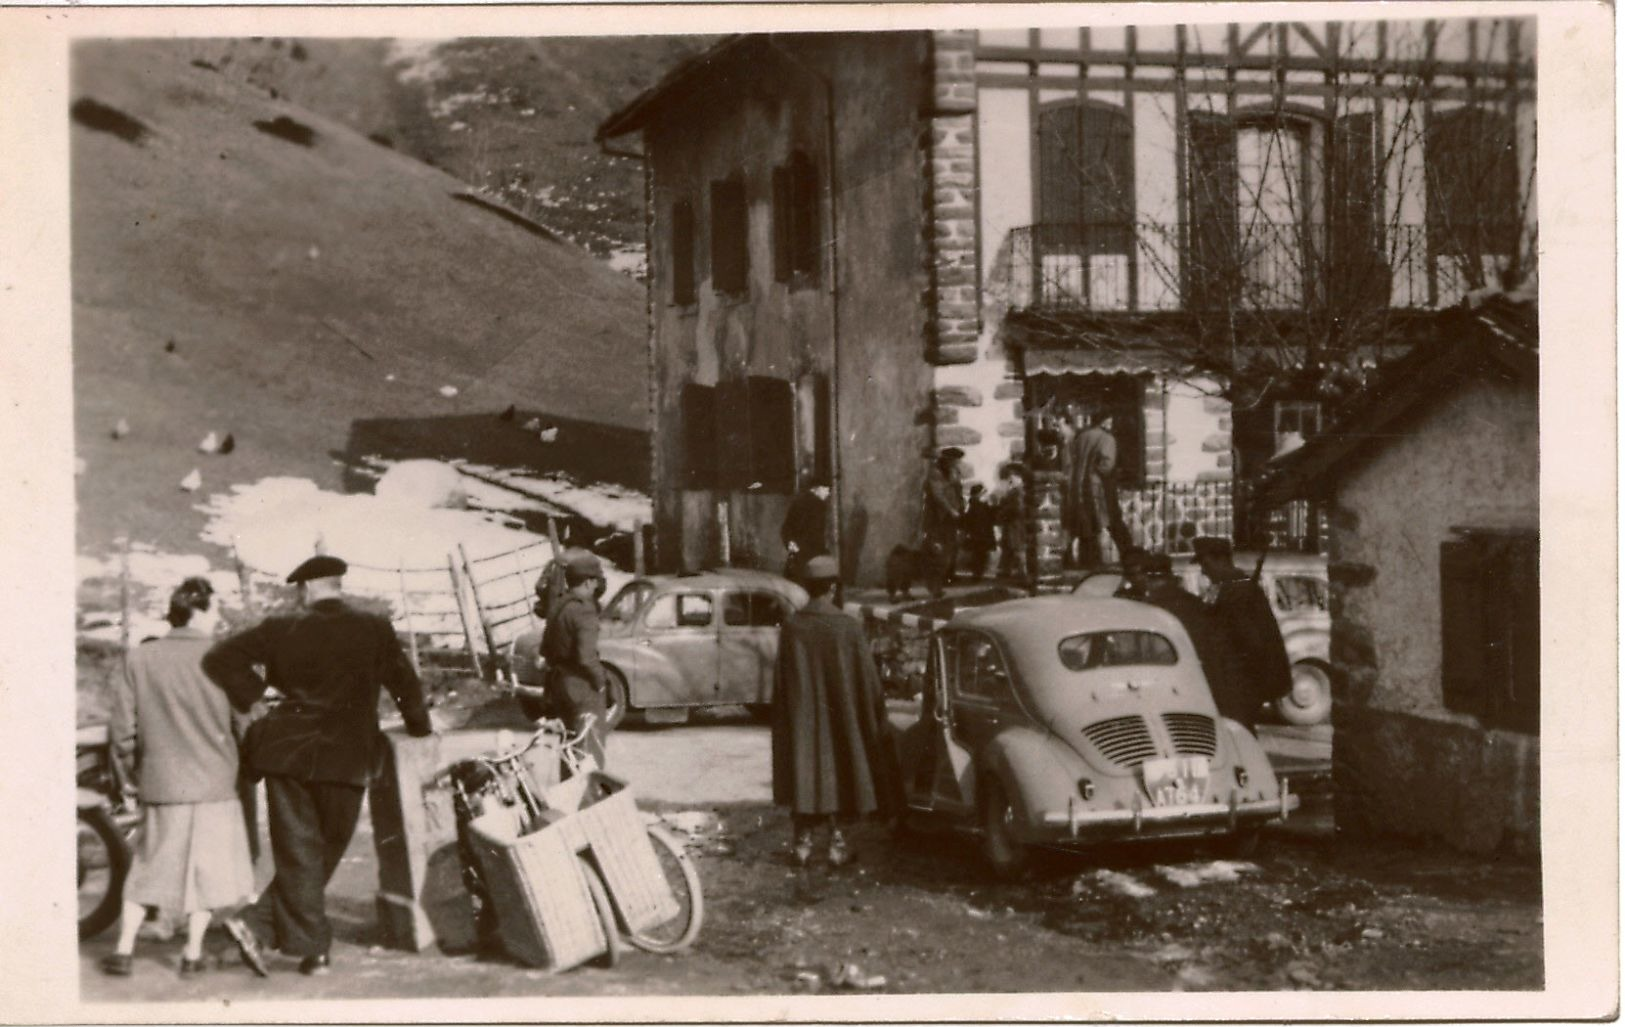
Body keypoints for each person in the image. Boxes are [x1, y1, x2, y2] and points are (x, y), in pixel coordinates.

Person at [203, 554, 432, 978]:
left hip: (289, 751)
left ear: (306, 588)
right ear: (338, 585)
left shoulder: (280, 628)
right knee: (325, 847)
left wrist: (254, 692)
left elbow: (219, 659)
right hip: (349, 754)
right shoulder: (373, 628)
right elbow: (404, 681)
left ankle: (258, 924)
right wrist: (419, 727)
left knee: (301, 852)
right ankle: (313, 950)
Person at [101, 578, 256, 978]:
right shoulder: (229, 660)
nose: (219, 617)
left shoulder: (138, 658)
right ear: (200, 611)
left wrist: (130, 781)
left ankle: (122, 950)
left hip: (160, 784)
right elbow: (248, 726)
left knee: (149, 866)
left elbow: (121, 733)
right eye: (215, 609)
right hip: (215, 787)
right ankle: (191, 954)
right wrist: (246, 768)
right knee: (207, 873)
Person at [771, 556, 902, 868]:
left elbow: (781, 681)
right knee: (843, 771)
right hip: (841, 716)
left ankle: (802, 843)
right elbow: (868, 681)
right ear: (832, 587)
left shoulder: (792, 627)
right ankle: (837, 845)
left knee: (804, 769)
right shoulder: (848, 627)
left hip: (803, 717)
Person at [1192, 537, 1293, 732]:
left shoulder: (1237, 591)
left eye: (1206, 564)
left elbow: (1251, 642)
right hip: (1239, 683)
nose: (1204, 571)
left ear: (1221, 560)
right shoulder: (1235, 587)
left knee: (1239, 736)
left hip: (1239, 683)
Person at [1120, 550, 1229, 705]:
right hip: (1202, 683)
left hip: (1166, 687)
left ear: (1147, 577)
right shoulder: (1195, 604)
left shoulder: (1147, 610)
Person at [539, 548, 612, 771]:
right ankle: (589, 804)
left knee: (569, 751)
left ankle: (568, 802)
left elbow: (544, 648)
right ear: (589, 582)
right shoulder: (583, 611)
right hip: (580, 688)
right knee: (590, 752)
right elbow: (586, 657)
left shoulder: (559, 606)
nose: (598, 587)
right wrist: (601, 684)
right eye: (596, 581)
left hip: (559, 685)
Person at [1068, 411, 1134, 568]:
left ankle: (1090, 561)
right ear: (1103, 421)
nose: (1110, 425)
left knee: (1087, 524)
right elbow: (1107, 463)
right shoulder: (1107, 438)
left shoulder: (1081, 437)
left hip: (1080, 486)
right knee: (1113, 520)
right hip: (1099, 487)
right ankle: (1129, 556)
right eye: (1109, 422)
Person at [921, 447, 966, 598]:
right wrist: (951, 510)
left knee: (949, 550)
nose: (957, 464)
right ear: (947, 460)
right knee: (937, 552)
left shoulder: (954, 471)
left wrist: (960, 508)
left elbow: (958, 491)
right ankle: (934, 587)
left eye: (957, 461)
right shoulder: (936, 473)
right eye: (954, 461)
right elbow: (938, 495)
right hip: (937, 518)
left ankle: (942, 581)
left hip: (951, 517)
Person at [780, 480, 831, 584]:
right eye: (827, 490)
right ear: (818, 488)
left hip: (798, 555)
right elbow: (817, 534)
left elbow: (786, 528)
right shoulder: (819, 505)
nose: (828, 493)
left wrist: (790, 543)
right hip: (812, 556)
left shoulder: (798, 502)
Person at [994, 463, 1029, 583]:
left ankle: (1023, 574)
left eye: (1012, 476)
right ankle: (1005, 573)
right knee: (1009, 548)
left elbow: (1018, 508)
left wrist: (1004, 511)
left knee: (1018, 549)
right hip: (1011, 525)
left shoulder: (1019, 491)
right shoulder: (1013, 491)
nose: (1009, 479)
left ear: (1018, 477)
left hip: (1016, 525)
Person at [960, 483, 997, 582]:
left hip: (979, 534)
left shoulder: (976, 505)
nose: (985, 495)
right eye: (983, 493)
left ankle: (977, 574)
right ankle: (977, 575)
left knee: (979, 555)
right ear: (978, 494)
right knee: (979, 555)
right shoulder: (977, 505)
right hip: (980, 534)